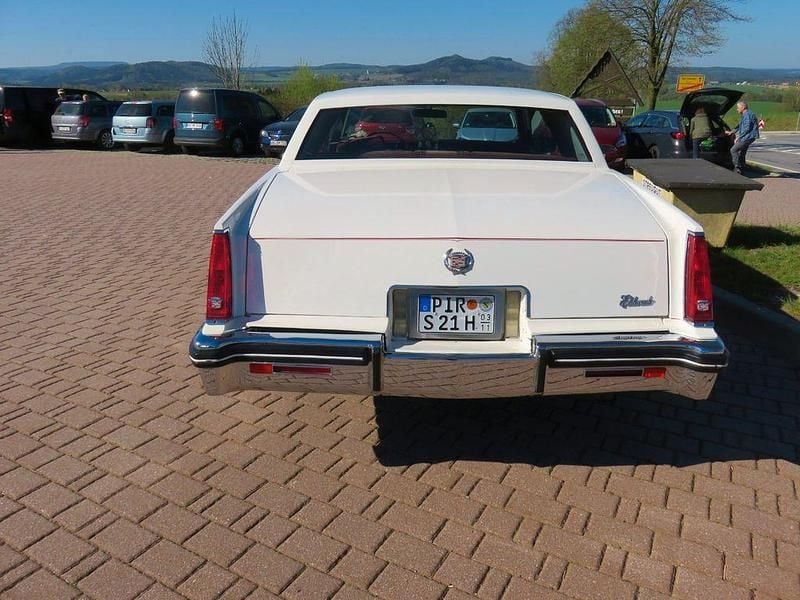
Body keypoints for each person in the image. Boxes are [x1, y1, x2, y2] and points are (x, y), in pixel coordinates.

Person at [729, 100, 759, 174]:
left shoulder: (747, 114)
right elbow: (739, 126)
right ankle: (742, 168)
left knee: (733, 150)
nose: (737, 109)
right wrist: (732, 132)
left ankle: (737, 168)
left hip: (748, 136)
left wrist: (739, 137)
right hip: (749, 136)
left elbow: (746, 128)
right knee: (742, 152)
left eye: (738, 107)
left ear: (743, 107)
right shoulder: (745, 114)